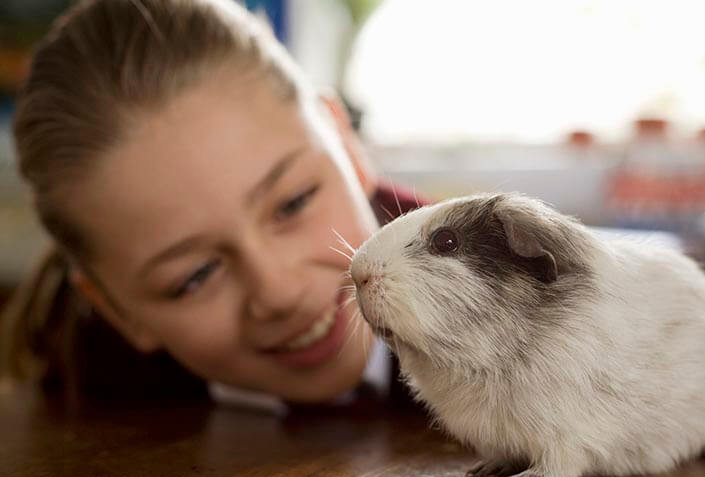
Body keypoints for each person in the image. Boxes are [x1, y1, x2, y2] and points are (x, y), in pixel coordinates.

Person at [0, 0, 423, 408]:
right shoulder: (83, 402)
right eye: (195, 276)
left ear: (347, 146)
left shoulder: (484, 284)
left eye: (293, 204)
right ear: (120, 313)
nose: (279, 293)